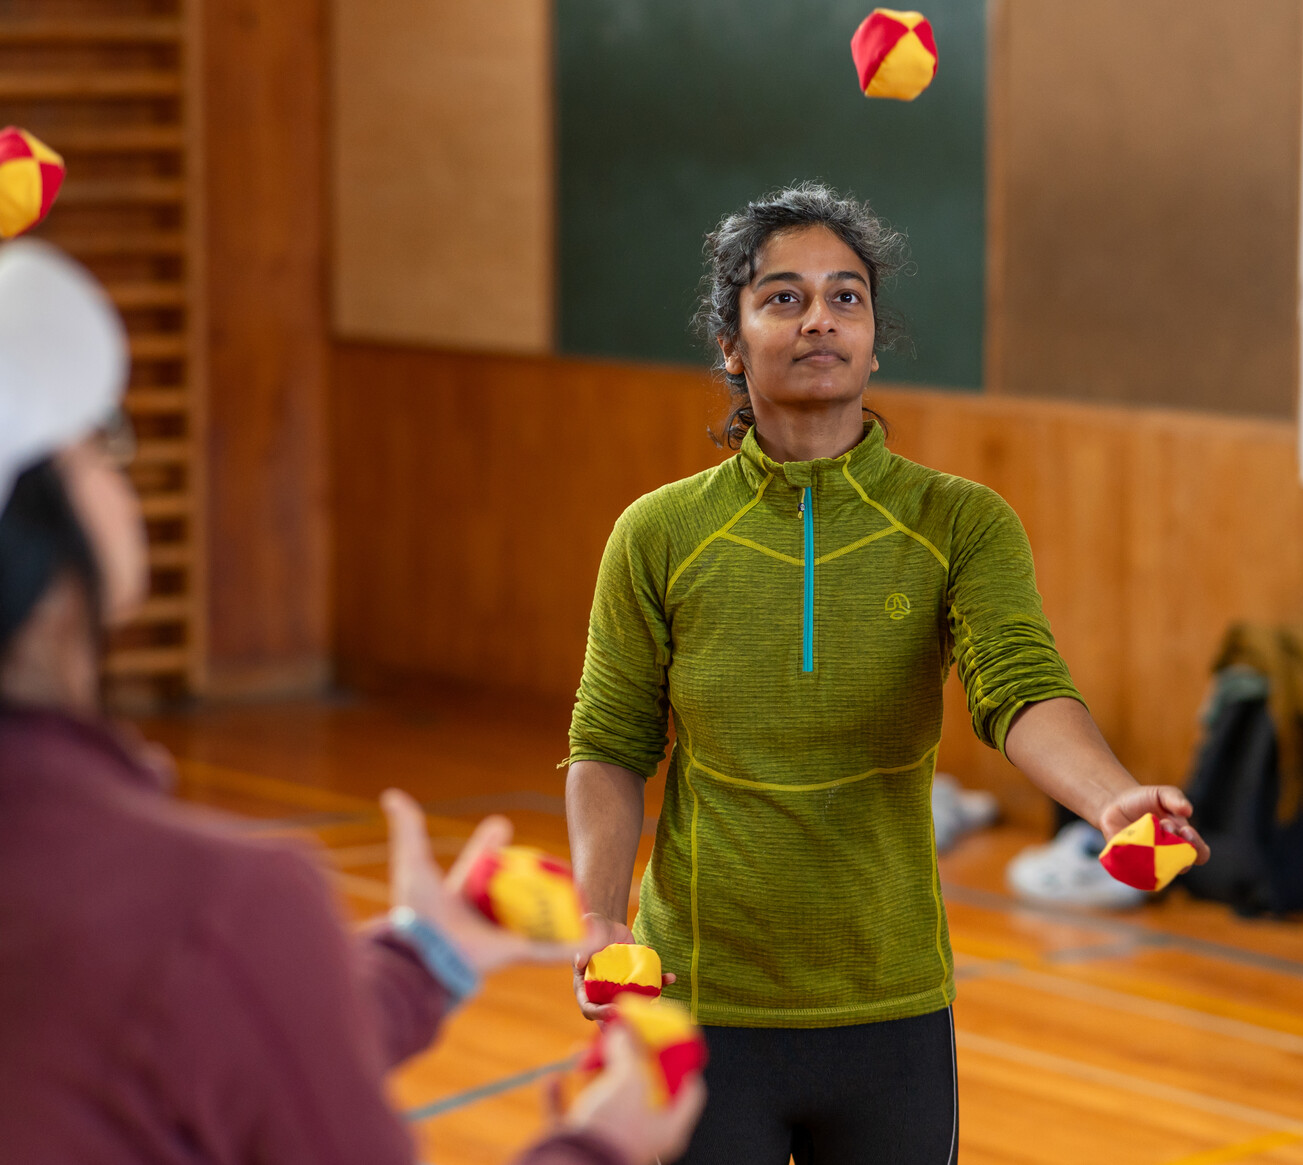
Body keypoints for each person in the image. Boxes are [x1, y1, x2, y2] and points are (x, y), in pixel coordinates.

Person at [0, 240, 705, 1165]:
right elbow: (196, 994)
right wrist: (602, 1144)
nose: (120, 472)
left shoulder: (196, 938)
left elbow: (182, 1043)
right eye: (101, 445)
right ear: (45, 525)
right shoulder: (217, 909)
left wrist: (427, 958)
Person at [564, 183, 1210, 1163]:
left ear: (872, 338)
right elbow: (609, 744)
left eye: (845, 295)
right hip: (698, 999)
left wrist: (1111, 797)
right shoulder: (659, 535)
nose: (818, 315)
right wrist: (601, 915)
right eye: (782, 296)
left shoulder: (959, 522)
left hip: (891, 1007)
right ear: (730, 344)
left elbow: (1018, 687)